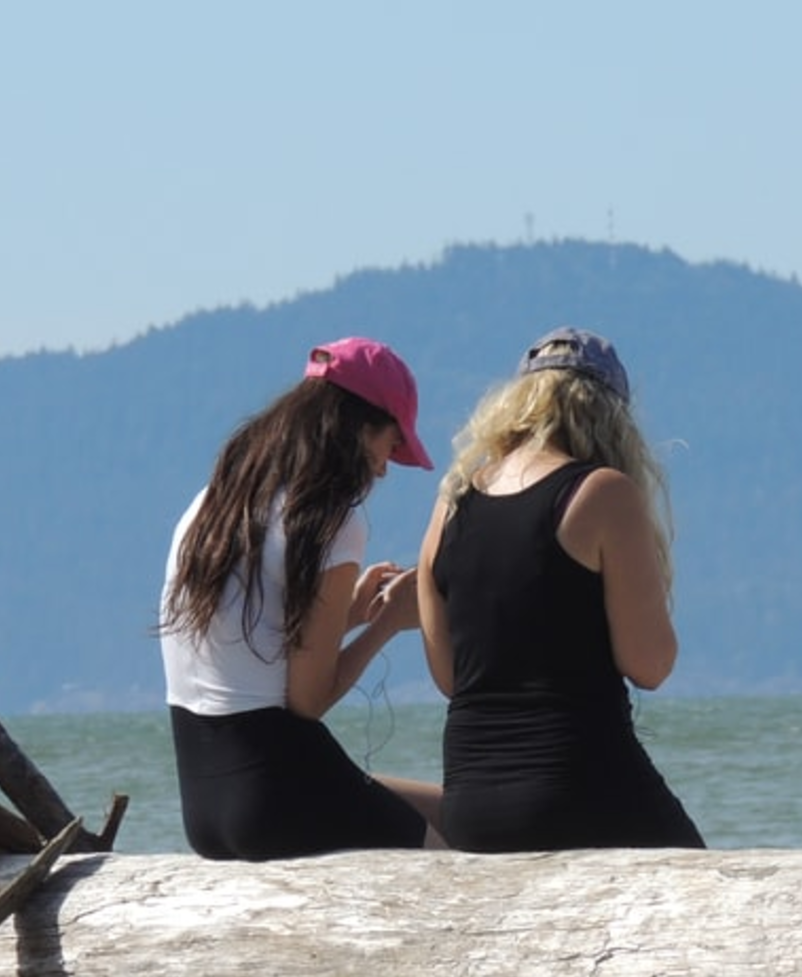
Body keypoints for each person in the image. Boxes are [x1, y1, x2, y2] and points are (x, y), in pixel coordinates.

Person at [416, 327, 704, 851]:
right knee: (705, 885)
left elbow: (451, 678)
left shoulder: (449, 504)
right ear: (609, 416)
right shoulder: (602, 493)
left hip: (471, 804)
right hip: (581, 788)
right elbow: (651, 666)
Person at [160, 337, 445, 859]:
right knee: (458, 864)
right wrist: (388, 624)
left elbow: (251, 655)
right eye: (391, 445)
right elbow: (307, 702)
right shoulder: (333, 518)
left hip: (207, 807)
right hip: (278, 796)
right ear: (359, 428)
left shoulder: (214, 504)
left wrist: (354, 613)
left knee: (452, 810)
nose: (384, 468)